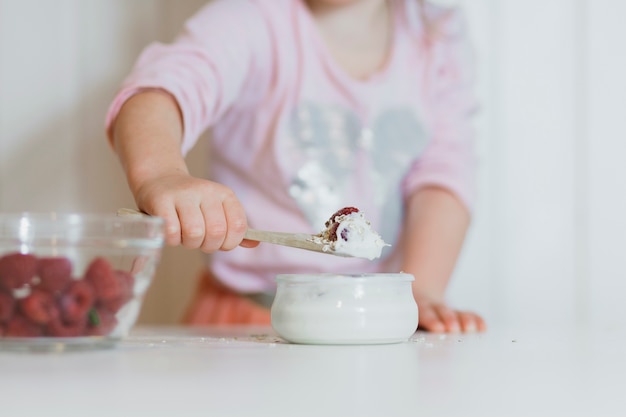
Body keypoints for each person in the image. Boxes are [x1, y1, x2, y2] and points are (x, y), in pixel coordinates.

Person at [105, 0, 487, 333]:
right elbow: (162, 91)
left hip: (369, 318)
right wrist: (161, 174)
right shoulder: (248, 21)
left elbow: (443, 175)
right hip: (245, 317)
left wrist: (420, 290)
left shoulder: (438, 38)